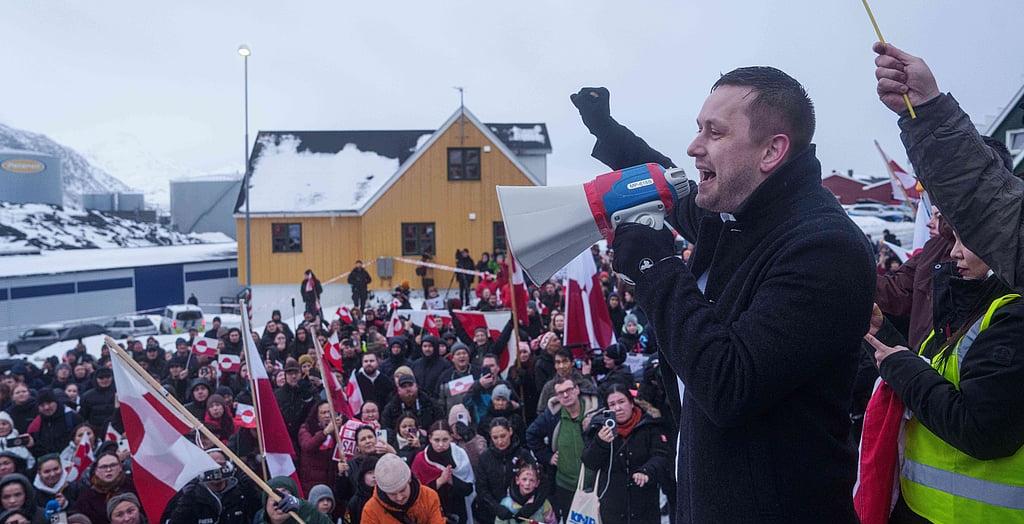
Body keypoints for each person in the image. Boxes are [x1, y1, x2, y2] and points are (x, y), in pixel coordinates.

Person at [577, 69, 875, 521]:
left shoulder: (824, 248)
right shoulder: (738, 213)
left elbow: (728, 385)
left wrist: (655, 268)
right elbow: (672, 190)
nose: (695, 146)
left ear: (772, 150)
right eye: (699, 129)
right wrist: (608, 132)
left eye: (714, 133)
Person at [863, 228, 1024, 523]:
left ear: (1004, 243)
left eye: (968, 240)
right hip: (929, 509)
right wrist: (883, 336)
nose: (953, 252)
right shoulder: (974, 304)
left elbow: (982, 430)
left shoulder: (1011, 317)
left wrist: (902, 368)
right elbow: (933, 372)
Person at [872, 42, 1024, 289]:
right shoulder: (933, 251)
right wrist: (927, 110)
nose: (955, 253)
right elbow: (998, 216)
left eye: (940, 213)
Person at [581, 385, 669, 524]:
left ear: (631, 403)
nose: (617, 408)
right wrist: (600, 442)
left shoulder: (649, 425)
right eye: (612, 404)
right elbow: (589, 462)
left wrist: (647, 471)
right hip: (612, 505)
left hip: (644, 504)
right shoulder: (598, 428)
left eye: (621, 402)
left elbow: (662, 455)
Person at [526, 376, 601, 522]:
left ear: (577, 390)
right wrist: (547, 457)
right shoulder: (552, 415)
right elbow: (531, 434)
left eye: (569, 390)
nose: (565, 395)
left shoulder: (595, 411)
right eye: (561, 393)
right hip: (565, 486)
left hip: (594, 484)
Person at [474, 417, 541, 524]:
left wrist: (529, 507)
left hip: (519, 512)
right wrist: (496, 507)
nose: (500, 441)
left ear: (510, 431)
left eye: (503, 436)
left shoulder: (523, 455)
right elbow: (481, 488)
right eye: (495, 437)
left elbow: (538, 482)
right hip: (490, 513)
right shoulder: (485, 458)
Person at [410, 421, 474, 524]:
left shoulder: (460, 455)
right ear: (430, 438)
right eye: (436, 440)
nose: (441, 444)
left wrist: (451, 480)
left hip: (458, 509)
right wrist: (439, 481)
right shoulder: (421, 458)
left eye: (445, 440)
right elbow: (416, 492)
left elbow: (469, 488)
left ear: (451, 438)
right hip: (432, 511)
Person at [361, 453, 445, 524]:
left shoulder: (429, 496)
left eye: (402, 490)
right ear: (383, 490)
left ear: (409, 479)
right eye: (392, 494)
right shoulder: (371, 510)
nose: (399, 497)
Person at [71, 444, 135, 524]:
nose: (108, 469)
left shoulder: (133, 485)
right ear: (96, 471)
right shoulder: (87, 497)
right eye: (104, 467)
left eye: (113, 465)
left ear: (120, 467)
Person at [253, 475, 331, 524]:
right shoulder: (258, 520)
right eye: (273, 495)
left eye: (284, 493)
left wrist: (303, 507)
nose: (279, 500)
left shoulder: (309, 518)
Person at [297, 402, 339, 493]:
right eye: (323, 413)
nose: (327, 416)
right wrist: (325, 432)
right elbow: (307, 446)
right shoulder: (306, 428)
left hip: (331, 481)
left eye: (330, 412)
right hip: (312, 483)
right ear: (316, 415)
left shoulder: (337, 430)